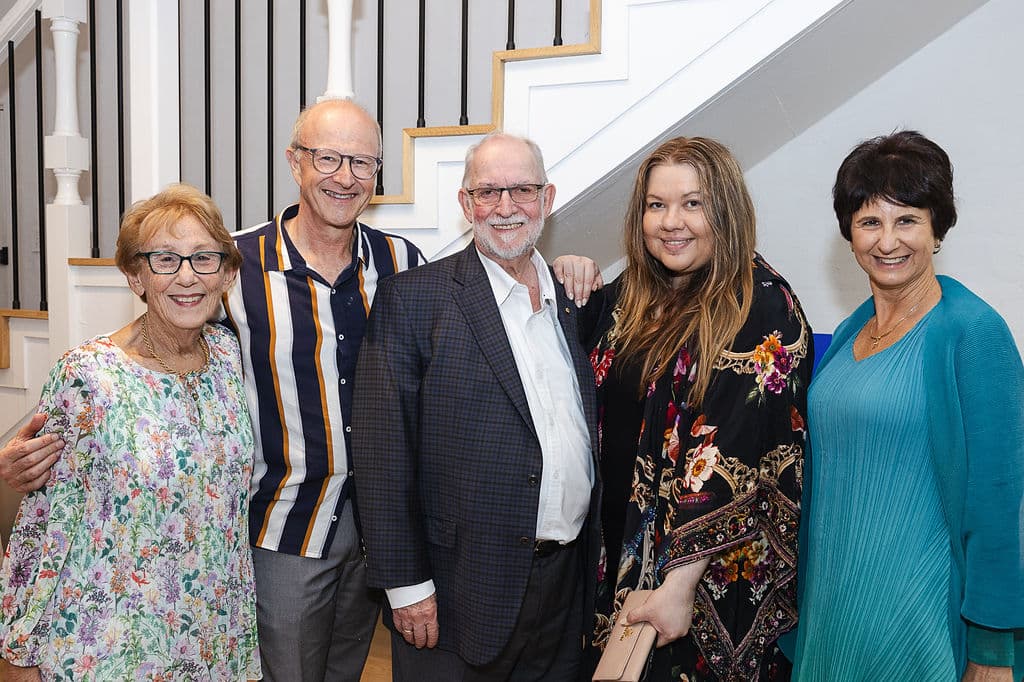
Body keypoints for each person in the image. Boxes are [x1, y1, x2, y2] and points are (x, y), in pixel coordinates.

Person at [0, 100, 602, 681]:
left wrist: (562, 266)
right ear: (295, 163)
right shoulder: (235, 263)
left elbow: (482, 304)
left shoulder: (399, 262)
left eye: (361, 162)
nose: (345, 177)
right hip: (286, 526)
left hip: (377, 530)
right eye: (327, 158)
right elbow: (163, 324)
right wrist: (52, 423)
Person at [351, 132, 601, 681]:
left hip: (565, 587)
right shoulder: (414, 299)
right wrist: (407, 586)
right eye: (488, 192)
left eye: (522, 190)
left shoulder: (575, 301)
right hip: (457, 594)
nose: (506, 207)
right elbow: (380, 453)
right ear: (466, 205)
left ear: (549, 198)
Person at [0, 184, 260, 680]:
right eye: (165, 259)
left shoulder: (227, 356)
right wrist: (18, 651)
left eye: (203, 258)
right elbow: (43, 523)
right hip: (109, 639)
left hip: (211, 631)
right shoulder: (87, 376)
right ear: (135, 276)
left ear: (226, 273)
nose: (187, 277)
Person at [791, 131, 1024, 681]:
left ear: (937, 229)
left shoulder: (974, 332)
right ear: (848, 232)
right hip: (833, 619)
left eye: (907, 220)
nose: (887, 240)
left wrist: (991, 655)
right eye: (870, 221)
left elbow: (999, 507)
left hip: (921, 629)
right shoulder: (849, 334)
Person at [583, 137, 812, 681]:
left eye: (693, 203)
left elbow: (737, 455)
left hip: (698, 583)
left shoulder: (758, 304)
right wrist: (568, 274)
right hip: (619, 552)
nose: (671, 221)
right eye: (656, 205)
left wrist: (677, 587)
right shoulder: (633, 295)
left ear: (726, 210)